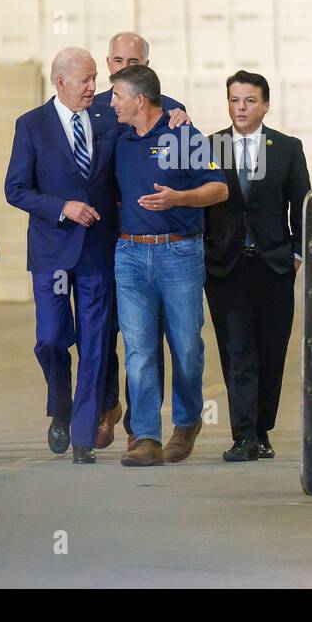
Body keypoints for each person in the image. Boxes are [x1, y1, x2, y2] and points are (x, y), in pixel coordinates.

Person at [5, 48, 121, 464]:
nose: (94, 87)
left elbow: (151, 119)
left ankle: (83, 434)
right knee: (52, 338)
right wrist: (62, 207)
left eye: (96, 79)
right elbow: (15, 189)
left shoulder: (109, 119)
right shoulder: (31, 125)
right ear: (60, 82)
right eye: (86, 80)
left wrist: (179, 117)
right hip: (53, 253)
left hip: (97, 253)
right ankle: (60, 405)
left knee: (95, 343)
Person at [110, 65, 228, 466]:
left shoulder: (183, 135)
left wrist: (179, 198)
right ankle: (146, 437)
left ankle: (187, 421)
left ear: (139, 100)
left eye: (117, 97)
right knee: (139, 350)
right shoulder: (119, 138)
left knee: (186, 346)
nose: (111, 103)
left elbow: (219, 188)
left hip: (178, 253)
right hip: (129, 255)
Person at [203, 71, 310, 461]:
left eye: (249, 101)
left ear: (265, 105)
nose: (241, 108)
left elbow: (302, 205)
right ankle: (243, 435)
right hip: (225, 267)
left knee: (270, 351)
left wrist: (297, 254)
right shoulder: (208, 147)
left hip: (273, 267)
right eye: (234, 100)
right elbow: (200, 206)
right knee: (237, 351)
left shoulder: (286, 148)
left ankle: (262, 429)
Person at [91, 32, 188, 451]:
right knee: (102, 330)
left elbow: (192, 167)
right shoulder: (93, 107)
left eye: (133, 59)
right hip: (99, 234)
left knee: (147, 336)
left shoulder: (172, 111)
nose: (123, 65)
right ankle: (106, 406)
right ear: (106, 61)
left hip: (148, 236)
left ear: (147, 63)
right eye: (117, 59)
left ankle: (140, 426)